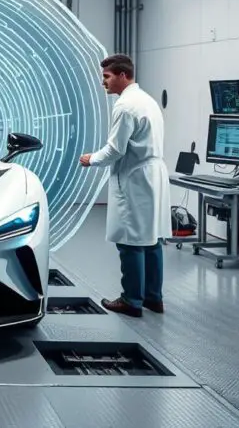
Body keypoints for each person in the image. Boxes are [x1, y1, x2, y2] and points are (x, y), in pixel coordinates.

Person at [79, 54, 171, 318]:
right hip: (152, 172)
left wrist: (90, 159)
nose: (102, 82)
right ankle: (154, 298)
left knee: (130, 242)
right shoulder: (147, 101)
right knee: (151, 239)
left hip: (135, 176)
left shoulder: (125, 106)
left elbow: (115, 150)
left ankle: (131, 300)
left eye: (106, 77)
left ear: (122, 75)